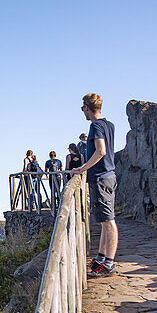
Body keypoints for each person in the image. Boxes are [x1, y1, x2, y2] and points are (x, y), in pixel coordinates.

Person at [69, 93, 119, 278]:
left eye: (83, 108)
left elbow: (101, 151)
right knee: (105, 221)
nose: (83, 111)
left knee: (108, 222)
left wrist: (82, 168)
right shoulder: (109, 125)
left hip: (101, 177)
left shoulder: (96, 126)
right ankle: (101, 259)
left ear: (87, 108)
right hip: (108, 176)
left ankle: (109, 265)